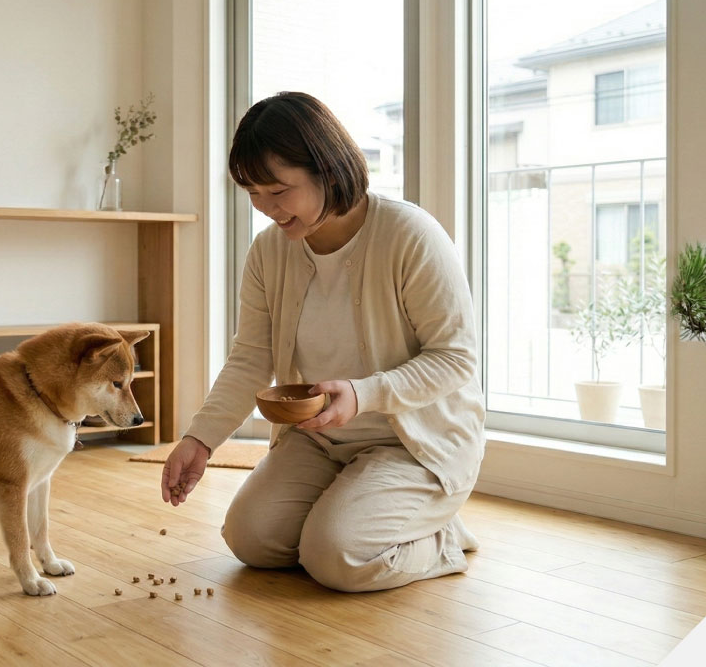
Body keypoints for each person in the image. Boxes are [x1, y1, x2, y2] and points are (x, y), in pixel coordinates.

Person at [161, 92, 485, 592]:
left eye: (277, 190)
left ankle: (438, 535)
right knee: (251, 540)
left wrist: (363, 395)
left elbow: (455, 357)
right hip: (316, 439)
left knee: (336, 558)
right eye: (252, 193)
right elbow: (250, 358)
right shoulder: (269, 252)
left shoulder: (410, 234)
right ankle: (361, 514)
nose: (266, 209)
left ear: (328, 171)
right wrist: (199, 439)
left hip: (413, 443)